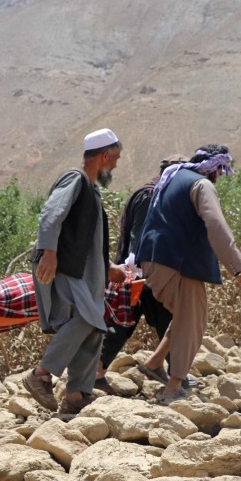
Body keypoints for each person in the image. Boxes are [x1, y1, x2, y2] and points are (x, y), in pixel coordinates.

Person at [136, 145, 241, 402]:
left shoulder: (174, 176)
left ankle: (154, 363)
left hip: (153, 260)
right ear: (216, 168)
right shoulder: (201, 185)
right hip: (177, 263)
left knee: (184, 316)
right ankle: (173, 387)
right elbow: (215, 224)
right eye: (221, 171)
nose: (220, 177)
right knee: (194, 322)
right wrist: (238, 264)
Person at [25, 129, 127, 414]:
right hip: (61, 267)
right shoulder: (75, 179)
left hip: (80, 272)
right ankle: (40, 375)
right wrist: (49, 252)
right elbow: (50, 214)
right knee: (85, 319)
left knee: (94, 327)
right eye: (115, 158)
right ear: (104, 156)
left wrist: (108, 269)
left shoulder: (91, 190)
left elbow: (86, 243)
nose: (116, 165)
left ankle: (75, 397)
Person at [96, 155, 189, 390]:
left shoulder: (157, 194)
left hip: (145, 273)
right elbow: (140, 239)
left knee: (161, 321)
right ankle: (94, 375)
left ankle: (174, 374)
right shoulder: (151, 196)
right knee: (123, 325)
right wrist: (142, 275)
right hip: (140, 275)